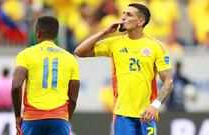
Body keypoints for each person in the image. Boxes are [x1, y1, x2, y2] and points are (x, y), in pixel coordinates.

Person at [74, 3, 173, 135]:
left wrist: (154, 106)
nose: (123, 18)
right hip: (122, 114)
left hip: (147, 113)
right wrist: (104, 32)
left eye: (129, 14)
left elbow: (168, 81)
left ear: (140, 21)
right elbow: (80, 52)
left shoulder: (156, 47)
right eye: (123, 14)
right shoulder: (115, 43)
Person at [11, 16, 80, 135]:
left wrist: (18, 117)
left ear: (37, 33)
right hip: (59, 118)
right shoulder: (70, 58)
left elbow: (16, 86)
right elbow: (73, 99)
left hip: (32, 118)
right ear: (56, 35)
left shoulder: (25, 55)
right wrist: (64, 119)